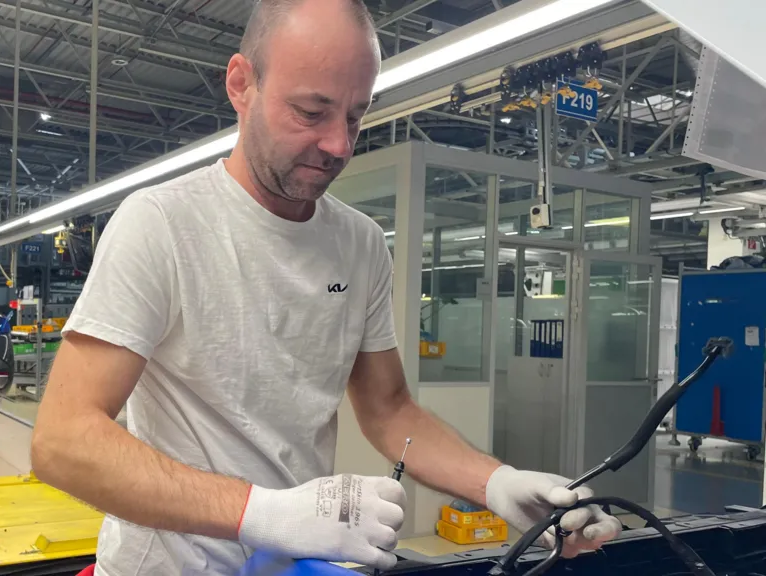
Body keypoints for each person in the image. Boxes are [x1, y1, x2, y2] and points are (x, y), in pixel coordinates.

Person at [31, 0, 622, 574]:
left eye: (355, 115)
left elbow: (389, 410)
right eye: (311, 113)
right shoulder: (162, 223)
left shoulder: (360, 242)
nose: (340, 144)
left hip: (295, 567)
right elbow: (64, 441)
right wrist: (262, 512)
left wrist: (498, 483)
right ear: (241, 84)